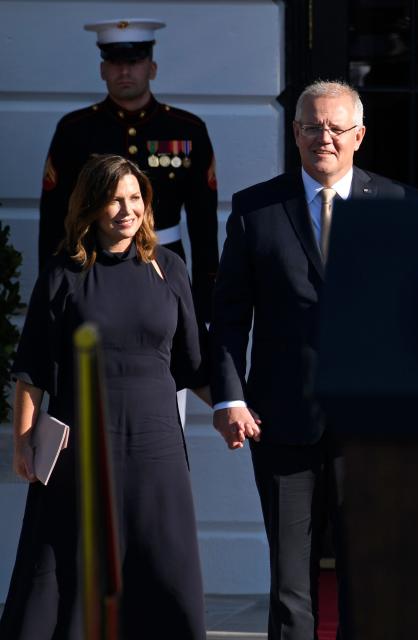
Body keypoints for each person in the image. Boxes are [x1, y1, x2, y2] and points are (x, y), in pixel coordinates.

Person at [209, 79, 417, 640]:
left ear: (359, 135)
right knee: (289, 585)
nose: (322, 137)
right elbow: (229, 315)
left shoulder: (399, 206)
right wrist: (230, 394)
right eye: (310, 126)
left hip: (371, 426)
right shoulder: (257, 209)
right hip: (281, 420)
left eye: (335, 127)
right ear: (294, 133)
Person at [0, 154, 210, 639]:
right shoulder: (63, 273)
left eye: (135, 198)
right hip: (81, 452)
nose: (126, 210)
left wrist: (235, 407)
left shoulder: (169, 268)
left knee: (164, 568)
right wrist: (23, 443)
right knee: (71, 572)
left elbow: (194, 364)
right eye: (114, 199)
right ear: (92, 206)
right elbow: (32, 369)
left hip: (156, 450)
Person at [39, 19, 219, 323]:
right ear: (102, 70)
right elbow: (55, 217)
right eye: (114, 62)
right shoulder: (75, 130)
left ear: (152, 68)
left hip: (164, 261)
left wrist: (204, 294)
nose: (124, 71)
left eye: (134, 62)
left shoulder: (187, 130)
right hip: (92, 264)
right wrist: (51, 283)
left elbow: (204, 222)